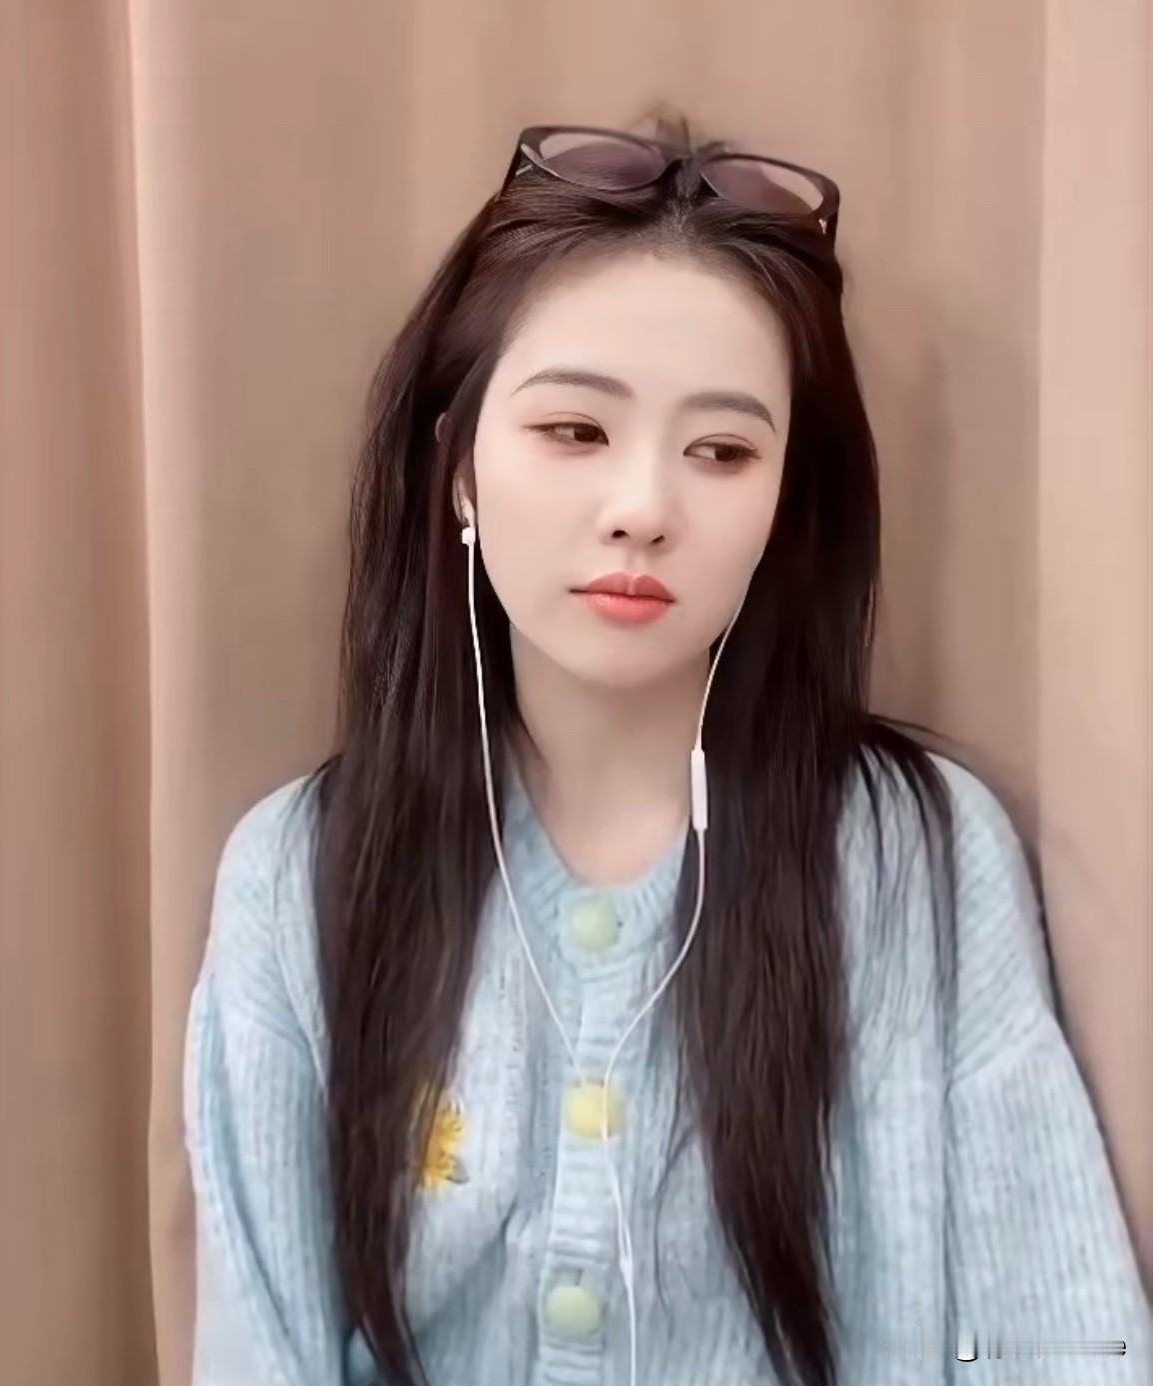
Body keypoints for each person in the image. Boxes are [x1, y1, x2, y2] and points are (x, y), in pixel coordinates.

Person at [182, 107, 1152, 1385]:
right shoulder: (297, 875)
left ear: (785, 505)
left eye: (723, 451)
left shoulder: (916, 861)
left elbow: (1062, 1333)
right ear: (457, 467)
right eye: (575, 431)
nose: (643, 507)